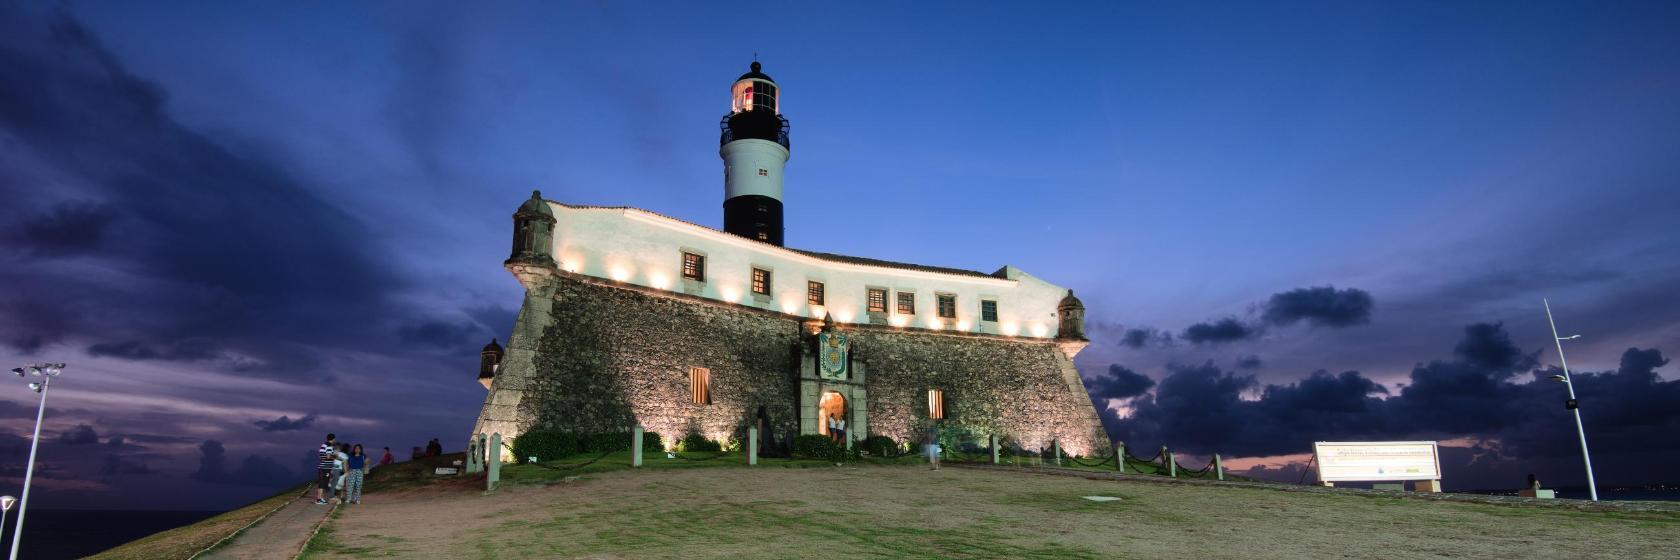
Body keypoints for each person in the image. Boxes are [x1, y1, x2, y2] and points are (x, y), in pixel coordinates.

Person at [315, 433, 337, 504]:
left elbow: (322, 456)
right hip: (325, 467)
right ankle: (319, 499)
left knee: (322, 483)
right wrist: (335, 456)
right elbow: (328, 456)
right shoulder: (329, 446)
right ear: (333, 439)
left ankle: (321, 498)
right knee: (323, 483)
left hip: (322, 466)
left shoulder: (323, 445)